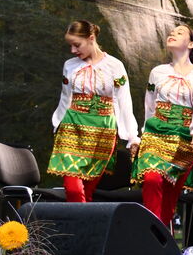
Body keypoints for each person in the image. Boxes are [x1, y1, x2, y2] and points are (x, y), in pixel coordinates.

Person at [48, 20, 139, 202]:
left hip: (102, 130)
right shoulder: (70, 65)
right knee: (73, 189)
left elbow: (123, 101)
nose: (73, 51)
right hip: (72, 126)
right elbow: (66, 97)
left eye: (77, 45)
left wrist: (132, 136)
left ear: (91, 38)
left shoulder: (114, 66)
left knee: (88, 191)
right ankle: (81, 225)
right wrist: (58, 123)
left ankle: (83, 229)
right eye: (71, 46)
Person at [133, 24, 193, 225]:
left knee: (170, 194)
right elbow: (149, 104)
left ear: (191, 43)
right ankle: (150, 233)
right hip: (156, 130)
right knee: (151, 178)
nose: (172, 34)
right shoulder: (157, 72)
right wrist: (143, 133)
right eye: (171, 32)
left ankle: (160, 243)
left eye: (180, 33)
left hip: (184, 135)